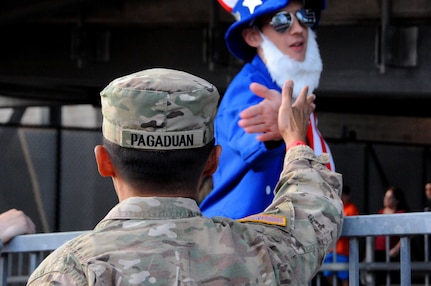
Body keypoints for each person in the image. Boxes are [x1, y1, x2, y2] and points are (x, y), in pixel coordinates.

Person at [27, 68, 343, 285]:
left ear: (104, 161)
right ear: (212, 162)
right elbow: (314, 208)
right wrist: (295, 139)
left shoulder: (68, 270)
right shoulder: (257, 252)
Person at [199, 0, 335, 219]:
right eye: (281, 20)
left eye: (304, 16)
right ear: (253, 36)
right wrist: (274, 135)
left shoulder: (283, 89)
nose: (299, 29)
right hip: (243, 240)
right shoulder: (251, 89)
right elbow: (253, 149)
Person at [322, 186, 359, 286]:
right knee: (326, 272)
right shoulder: (333, 207)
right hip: (331, 248)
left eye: (344, 195)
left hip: (343, 250)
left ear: (348, 196)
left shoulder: (351, 208)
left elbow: (353, 226)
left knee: (344, 275)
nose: (342, 197)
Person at [374, 186, 409, 285]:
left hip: (393, 252)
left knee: (394, 278)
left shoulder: (401, 214)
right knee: (379, 278)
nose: (386, 200)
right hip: (379, 251)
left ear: (396, 200)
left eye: (390, 197)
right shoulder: (380, 213)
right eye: (385, 197)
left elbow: (408, 233)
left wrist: (396, 248)